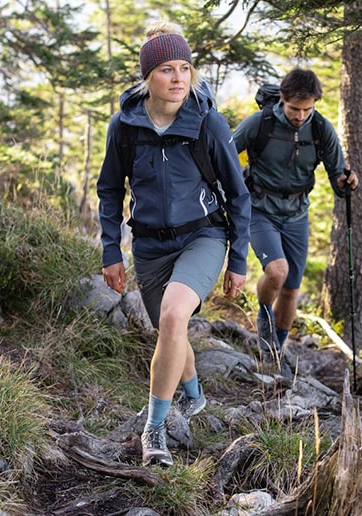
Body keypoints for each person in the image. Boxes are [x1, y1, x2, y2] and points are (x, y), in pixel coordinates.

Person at [96, 21, 250, 467]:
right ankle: (195, 396)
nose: (179, 77)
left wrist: (237, 259)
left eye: (185, 67)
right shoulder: (124, 127)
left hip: (203, 236)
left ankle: (154, 429)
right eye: (167, 69)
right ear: (149, 77)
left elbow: (238, 194)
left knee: (173, 313)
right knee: (169, 328)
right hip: (148, 246)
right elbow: (110, 190)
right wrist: (112, 249)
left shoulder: (208, 123)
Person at [233, 68, 358, 371]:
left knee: (291, 288)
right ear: (282, 99)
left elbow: (336, 175)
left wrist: (347, 182)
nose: (301, 116)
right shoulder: (259, 124)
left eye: (308, 109)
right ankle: (263, 315)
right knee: (277, 272)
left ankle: (275, 350)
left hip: (297, 214)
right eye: (294, 109)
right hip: (261, 209)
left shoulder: (321, 130)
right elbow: (225, 158)